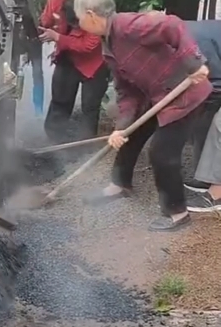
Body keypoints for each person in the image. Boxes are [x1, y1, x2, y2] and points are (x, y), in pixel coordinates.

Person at [73, 0, 212, 232]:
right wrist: (121, 127)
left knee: (162, 152)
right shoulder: (109, 45)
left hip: (187, 92)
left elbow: (173, 25)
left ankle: (176, 212)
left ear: (91, 15)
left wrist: (194, 63)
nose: (79, 24)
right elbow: (126, 92)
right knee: (131, 134)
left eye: (79, 19)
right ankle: (120, 184)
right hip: (157, 94)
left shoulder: (128, 25)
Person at [39, 0, 109, 144]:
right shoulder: (56, 3)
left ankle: (85, 145)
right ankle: (53, 140)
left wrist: (58, 37)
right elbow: (45, 21)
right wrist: (46, 22)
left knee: (90, 107)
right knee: (60, 100)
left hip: (95, 63)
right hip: (67, 58)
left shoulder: (97, 10)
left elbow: (88, 45)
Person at [183, 19, 221, 193]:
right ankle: (205, 176)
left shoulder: (197, 40)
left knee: (213, 124)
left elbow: (216, 83)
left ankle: (213, 188)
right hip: (215, 77)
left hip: (216, 82)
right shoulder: (180, 33)